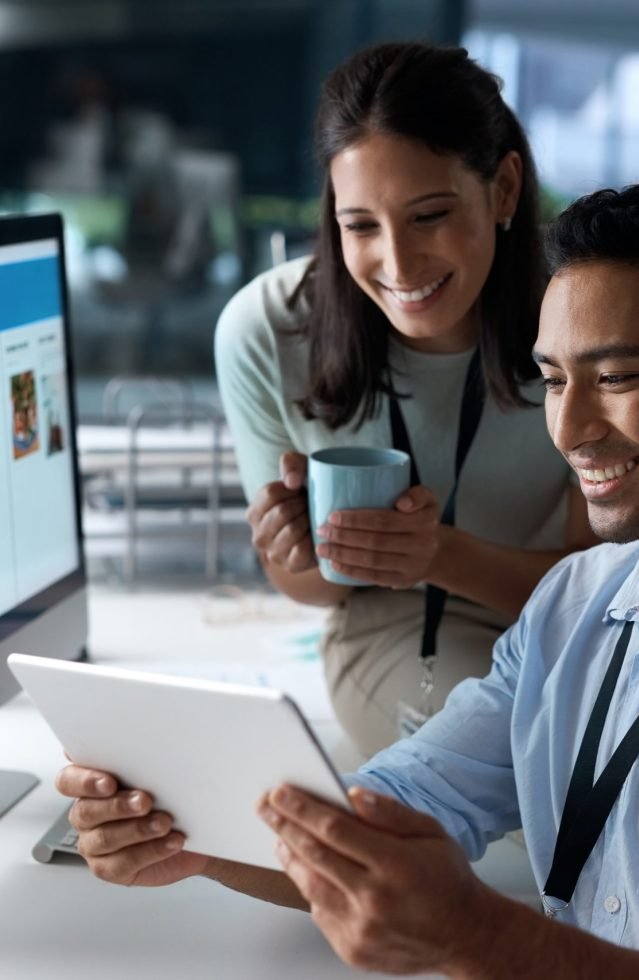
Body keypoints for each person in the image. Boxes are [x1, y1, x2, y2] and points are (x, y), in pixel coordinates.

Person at [57, 177, 639, 978]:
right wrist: (183, 832)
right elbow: (392, 811)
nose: (572, 429)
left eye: (616, 379)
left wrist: (480, 937)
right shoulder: (575, 605)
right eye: (553, 380)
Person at [214, 41, 595, 755]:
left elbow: (606, 598)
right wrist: (299, 549)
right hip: (387, 627)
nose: (397, 263)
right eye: (360, 225)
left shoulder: (583, 319)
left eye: (428, 216)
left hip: (562, 620)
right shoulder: (266, 330)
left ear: (505, 189)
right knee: (525, 770)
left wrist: (437, 554)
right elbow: (315, 592)